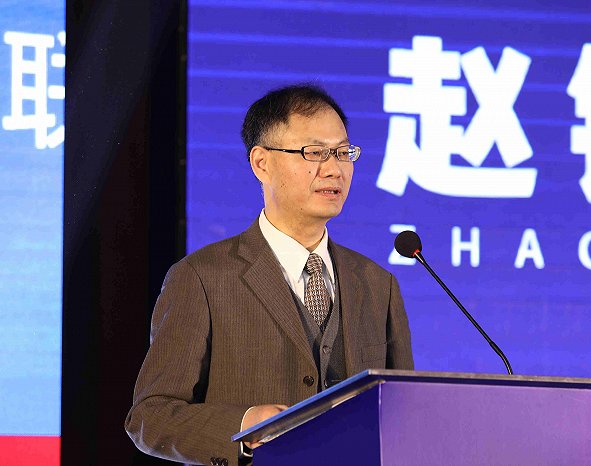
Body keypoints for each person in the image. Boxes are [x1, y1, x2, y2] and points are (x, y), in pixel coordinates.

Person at [125, 84, 414, 466]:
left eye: (343, 153)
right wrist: (243, 426)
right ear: (261, 163)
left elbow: (403, 413)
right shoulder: (201, 278)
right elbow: (151, 417)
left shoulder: (377, 284)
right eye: (314, 152)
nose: (334, 169)